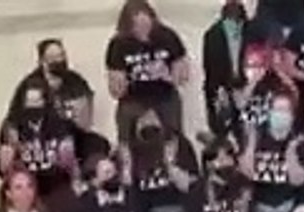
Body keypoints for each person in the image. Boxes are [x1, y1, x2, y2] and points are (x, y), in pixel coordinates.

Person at [105, 0, 190, 141]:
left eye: (147, 24)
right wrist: (123, 81)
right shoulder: (118, 44)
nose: (143, 30)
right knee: (126, 136)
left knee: (174, 139)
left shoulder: (168, 37)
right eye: (138, 26)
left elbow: (183, 76)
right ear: (128, 26)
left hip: (165, 96)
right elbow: (115, 90)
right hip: (133, 99)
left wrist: (167, 75)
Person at [7, 38, 95, 131]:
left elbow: (87, 104)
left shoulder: (76, 81)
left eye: (61, 55)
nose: (60, 60)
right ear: (42, 61)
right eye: (53, 57)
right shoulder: (29, 85)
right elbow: (14, 119)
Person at [202, 0, 256, 137]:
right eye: (230, 25)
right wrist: (221, 92)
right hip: (221, 87)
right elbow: (209, 68)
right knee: (221, 131)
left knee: (245, 132)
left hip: (246, 88)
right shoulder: (212, 36)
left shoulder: (252, 33)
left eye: (238, 24)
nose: (235, 29)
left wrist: (246, 89)